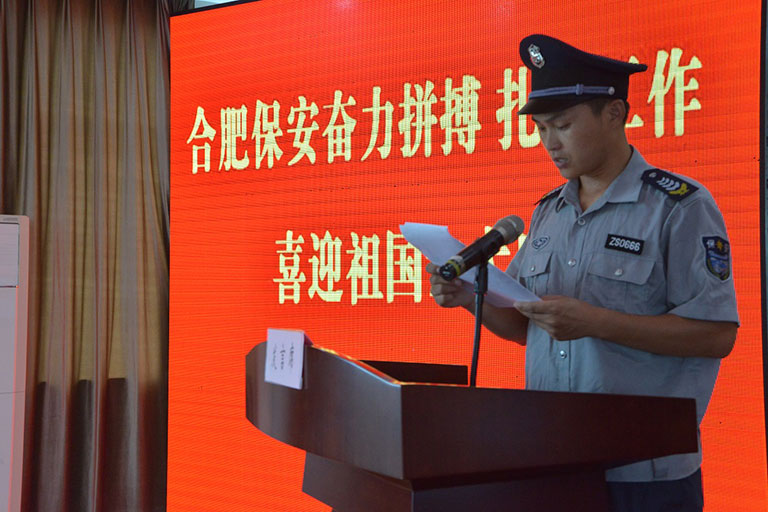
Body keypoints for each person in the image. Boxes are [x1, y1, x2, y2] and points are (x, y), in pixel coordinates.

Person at [426, 34, 738, 512]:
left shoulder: (679, 207)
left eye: (564, 125)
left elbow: (716, 335)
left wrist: (595, 322)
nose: (550, 143)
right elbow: (524, 325)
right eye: (542, 129)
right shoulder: (549, 213)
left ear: (614, 114)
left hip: (642, 471)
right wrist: (470, 296)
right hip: (554, 460)